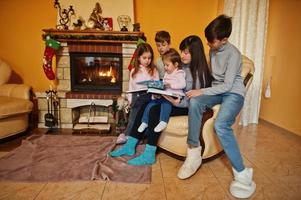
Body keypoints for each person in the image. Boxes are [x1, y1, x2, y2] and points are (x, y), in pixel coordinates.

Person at [177, 15, 256, 199]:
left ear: (224, 39)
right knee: (195, 101)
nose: (208, 45)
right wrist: (199, 91)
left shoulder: (234, 54)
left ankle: (241, 171)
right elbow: (215, 80)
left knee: (221, 124)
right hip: (217, 90)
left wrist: (202, 90)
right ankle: (194, 153)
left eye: (211, 42)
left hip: (233, 93)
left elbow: (228, 86)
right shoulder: (213, 50)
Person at [109, 35, 212, 166]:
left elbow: (198, 99)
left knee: (154, 110)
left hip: (185, 106)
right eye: (182, 52)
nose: (182, 55)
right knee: (146, 103)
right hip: (173, 100)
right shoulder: (181, 66)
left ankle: (149, 154)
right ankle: (130, 145)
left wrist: (178, 102)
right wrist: (160, 92)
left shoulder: (200, 73)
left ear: (195, 53)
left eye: (186, 53)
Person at [115, 43, 159, 144]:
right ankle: (126, 134)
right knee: (133, 117)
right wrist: (130, 99)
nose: (147, 60)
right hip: (136, 96)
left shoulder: (153, 70)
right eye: (144, 58)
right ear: (139, 58)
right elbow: (131, 86)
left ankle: (139, 137)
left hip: (149, 96)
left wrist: (154, 95)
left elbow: (156, 85)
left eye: (149, 58)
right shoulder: (134, 71)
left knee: (145, 118)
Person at [138, 48, 186, 133]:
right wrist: (157, 88)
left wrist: (170, 85)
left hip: (175, 95)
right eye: (164, 65)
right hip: (165, 94)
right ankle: (144, 122)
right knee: (151, 103)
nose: (165, 67)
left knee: (166, 103)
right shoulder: (167, 73)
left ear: (175, 64)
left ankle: (163, 121)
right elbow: (163, 84)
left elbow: (183, 84)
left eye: (167, 65)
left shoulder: (179, 72)